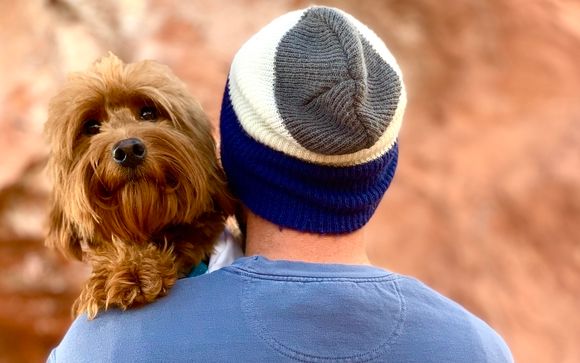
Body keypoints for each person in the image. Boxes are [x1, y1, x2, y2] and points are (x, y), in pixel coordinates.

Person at [48, 6, 513, 363]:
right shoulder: (477, 348)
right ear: (383, 167)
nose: (127, 139)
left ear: (226, 152)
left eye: (150, 114)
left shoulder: (105, 346)